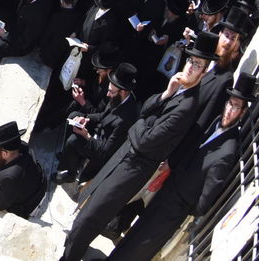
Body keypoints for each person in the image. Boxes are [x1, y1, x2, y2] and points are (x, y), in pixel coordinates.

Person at [58, 31, 216, 261]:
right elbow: (146, 109)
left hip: (136, 166)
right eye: (190, 60)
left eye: (198, 64)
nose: (191, 67)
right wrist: (167, 92)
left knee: (91, 218)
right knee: (89, 203)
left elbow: (144, 137)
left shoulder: (188, 106)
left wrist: (137, 124)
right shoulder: (179, 90)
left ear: (205, 70)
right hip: (126, 156)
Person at [108, 71, 255, 261]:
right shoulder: (216, 123)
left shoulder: (228, 150)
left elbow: (206, 198)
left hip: (176, 206)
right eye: (229, 103)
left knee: (141, 247)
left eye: (236, 107)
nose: (229, 110)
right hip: (167, 189)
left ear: (242, 112)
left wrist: (184, 205)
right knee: (135, 233)